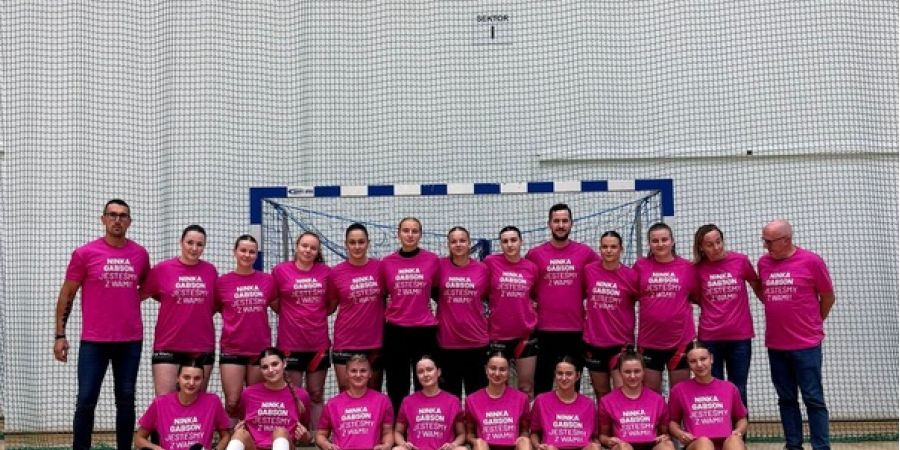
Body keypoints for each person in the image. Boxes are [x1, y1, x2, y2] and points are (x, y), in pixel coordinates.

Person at [54, 199, 151, 450]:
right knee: (86, 400)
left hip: (130, 341)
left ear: (129, 221)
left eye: (123, 216)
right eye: (112, 214)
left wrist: (127, 300)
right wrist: (59, 335)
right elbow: (67, 293)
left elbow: (147, 286)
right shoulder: (84, 253)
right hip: (94, 342)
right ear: (103, 219)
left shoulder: (140, 254)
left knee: (126, 399)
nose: (117, 220)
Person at [758, 219, 834, 450]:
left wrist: (814, 323)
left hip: (806, 346)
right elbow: (766, 295)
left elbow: (828, 297)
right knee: (786, 399)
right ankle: (793, 445)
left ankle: (821, 447)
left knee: (813, 398)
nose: (765, 246)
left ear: (786, 240)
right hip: (776, 345)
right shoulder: (763, 263)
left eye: (769, 241)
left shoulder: (812, 261)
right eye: (764, 241)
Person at [526, 203, 599, 394]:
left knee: (571, 386)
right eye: (556, 221)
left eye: (564, 221)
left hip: (575, 330)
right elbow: (525, 287)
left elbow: (600, 278)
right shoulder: (535, 254)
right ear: (549, 224)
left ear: (571, 223)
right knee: (542, 384)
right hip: (544, 331)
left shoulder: (586, 253)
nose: (560, 225)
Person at [142, 224, 219, 395]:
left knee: (196, 402)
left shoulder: (210, 271)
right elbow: (141, 295)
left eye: (199, 244)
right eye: (190, 242)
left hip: (201, 345)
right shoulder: (162, 269)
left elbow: (214, 304)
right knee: (165, 401)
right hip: (168, 344)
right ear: (181, 242)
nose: (194, 248)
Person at [692, 224, 762, 409]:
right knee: (712, 387)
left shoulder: (740, 261)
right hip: (710, 337)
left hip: (739, 337)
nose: (716, 247)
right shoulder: (697, 269)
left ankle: (739, 428)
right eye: (709, 244)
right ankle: (718, 427)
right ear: (701, 247)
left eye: (718, 242)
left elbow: (757, 286)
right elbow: (695, 296)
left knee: (738, 388)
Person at [272, 231, 333, 428]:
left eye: (313, 248)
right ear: (297, 246)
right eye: (304, 246)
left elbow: (332, 304)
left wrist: (314, 315)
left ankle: (316, 438)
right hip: (290, 343)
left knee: (316, 393)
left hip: (318, 344)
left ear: (318, 251)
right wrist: (292, 315)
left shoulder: (326, 272)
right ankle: (293, 437)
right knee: (294, 394)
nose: (308, 250)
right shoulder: (280, 271)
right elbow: (274, 301)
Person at [380, 217, 441, 413]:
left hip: (424, 331)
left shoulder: (432, 260)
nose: (410, 235)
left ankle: (423, 421)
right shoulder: (387, 263)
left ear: (420, 234)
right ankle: (399, 425)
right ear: (398, 234)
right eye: (406, 230)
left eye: (415, 231)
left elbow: (438, 291)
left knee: (425, 382)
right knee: (397, 384)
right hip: (396, 330)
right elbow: (382, 294)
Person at [215, 234, 278, 420]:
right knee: (232, 402)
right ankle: (233, 437)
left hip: (259, 350)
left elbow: (280, 307)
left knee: (255, 403)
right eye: (243, 250)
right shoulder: (222, 282)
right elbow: (215, 308)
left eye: (252, 252)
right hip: (232, 348)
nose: (247, 255)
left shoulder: (267, 281)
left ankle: (253, 437)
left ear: (256, 255)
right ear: (234, 252)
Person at [633, 222, 699, 392]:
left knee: (679, 393)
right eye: (655, 241)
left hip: (680, 341)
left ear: (672, 241)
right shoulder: (640, 267)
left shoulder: (687, 268)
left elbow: (697, 297)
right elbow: (631, 296)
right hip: (649, 341)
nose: (660, 244)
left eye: (664, 239)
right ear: (649, 243)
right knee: (651, 395)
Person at [582, 231, 639, 399]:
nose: (608, 250)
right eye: (604, 247)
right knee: (602, 394)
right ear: (600, 249)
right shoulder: (589, 271)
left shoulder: (631, 276)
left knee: (623, 392)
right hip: (594, 342)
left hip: (620, 343)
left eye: (613, 247)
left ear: (621, 249)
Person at [328, 223, 386, 391]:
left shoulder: (380, 268)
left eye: (361, 242)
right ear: (346, 244)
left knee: (373, 393)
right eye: (352, 242)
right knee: (346, 392)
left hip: (374, 342)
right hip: (346, 341)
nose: (357, 246)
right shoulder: (336, 273)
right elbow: (330, 306)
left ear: (368, 243)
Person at [484, 226, 539, 398]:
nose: (509, 244)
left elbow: (534, 295)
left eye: (513, 240)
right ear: (500, 244)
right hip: (498, 335)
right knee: (498, 386)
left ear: (521, 242)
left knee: (526, 387)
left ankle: (525, 416)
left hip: (525, 335)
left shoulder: (531, 267)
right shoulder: (490, 263)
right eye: (505, 241)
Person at [436, 226, 490, 397]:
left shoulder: (482, 269)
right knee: (450, 399)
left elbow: (492, 296)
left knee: (477, 398)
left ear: (469, 243)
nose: (458, 244)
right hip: (447, 343)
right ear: (448, 244)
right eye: (453, 241)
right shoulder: (439, 266)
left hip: (476, 342)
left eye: (462, 241)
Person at [226, 347, 312, 450]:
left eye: (275, 364)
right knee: (239, 434)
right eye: (265, 367)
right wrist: (238, 429)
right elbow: (243, 422)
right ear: (260, 370)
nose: (270, 370)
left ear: (284, 363)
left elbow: (307, 438)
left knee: (280, 431)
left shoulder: (301, 395)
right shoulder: (248, 393)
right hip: (254, 447)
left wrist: (305, 436)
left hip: (285, 445)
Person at [134, 360, 232, 450]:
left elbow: (226, 435)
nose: (191, 383)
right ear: (178, 378)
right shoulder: (160, 403)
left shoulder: (213, 401)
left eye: (197, 378)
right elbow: (138, 439)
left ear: (203, 380)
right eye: (186, 377)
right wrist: (157, 448)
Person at [668, 342, 748, 450]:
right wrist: (680, 434)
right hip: (696, 444)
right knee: (704, 442)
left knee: (734, 440)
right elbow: (673, 421)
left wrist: (738, 431)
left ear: (711, 359)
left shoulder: (730, 388)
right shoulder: (679, 390)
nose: (699, 364)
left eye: (703, 359)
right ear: (688, 364)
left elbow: (741, 418)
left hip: (726, 443)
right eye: (693, 361)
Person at [598, 347, 673, 450]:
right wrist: (607, 440)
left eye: (637, 371)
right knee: (624, 447)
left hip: (651, 446)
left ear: (644, 371)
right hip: (623, 446)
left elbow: (665, 433)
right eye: (627, 372)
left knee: (667, 446)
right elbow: (602, 436)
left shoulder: (658, 400)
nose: (632, 376)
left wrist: (664, 438)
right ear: (620, 372)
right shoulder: (607, 401)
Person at [316, 355, 394, 450]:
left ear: (370, 373)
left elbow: (387, 432)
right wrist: (325, 444)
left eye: (363, 371)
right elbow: (321, 434)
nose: (358, 375)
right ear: (346, 374)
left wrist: (387, 445)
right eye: (353, 371)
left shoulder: (383, 401)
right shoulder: (332, 404)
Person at [393, 356, 466, 450]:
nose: (425, 374)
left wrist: (453, 445)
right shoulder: (407, 401)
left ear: (438, 372)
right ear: (417, 376)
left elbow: (462, 434)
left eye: (429, 369)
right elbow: (398, 432)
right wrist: (404, 444)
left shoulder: (453, 401)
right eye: (420, 372)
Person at [529, 357, 599, 450]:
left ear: (577, 376)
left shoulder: (589, 404)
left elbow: (594, 437)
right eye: (560, 373)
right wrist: (537, 445)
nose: (564, 378)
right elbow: (534, 432)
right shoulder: (541, 400)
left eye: (569, 374)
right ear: (555, 374)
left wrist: (596, 445)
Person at [465, 353, 531, 450]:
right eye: (493, 368)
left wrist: (522, 440)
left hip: (512, 447)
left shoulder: (522, 398)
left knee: (525, 441)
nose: (497, 373)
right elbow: (470, 433)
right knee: (479, 444)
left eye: (502, 369)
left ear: (508, 372)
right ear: (486, 370)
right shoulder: (471, 400)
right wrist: (475, 442)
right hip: (485, 447)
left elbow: (524, 430)